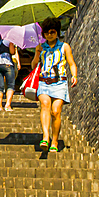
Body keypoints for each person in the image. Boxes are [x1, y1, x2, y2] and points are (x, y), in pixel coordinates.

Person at [33, 17, 77, 152]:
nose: (49, 35)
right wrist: (37, 54)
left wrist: (74, 75)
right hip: (44, 82)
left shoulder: (64, 47)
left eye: (52, 32)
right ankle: (45, 137)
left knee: (56, 111)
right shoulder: (41, 47)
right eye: (46, 33)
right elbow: (34, 65)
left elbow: (71, 63)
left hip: (60, 82)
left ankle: (55, 140)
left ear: (57, 32)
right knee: (45, 105)